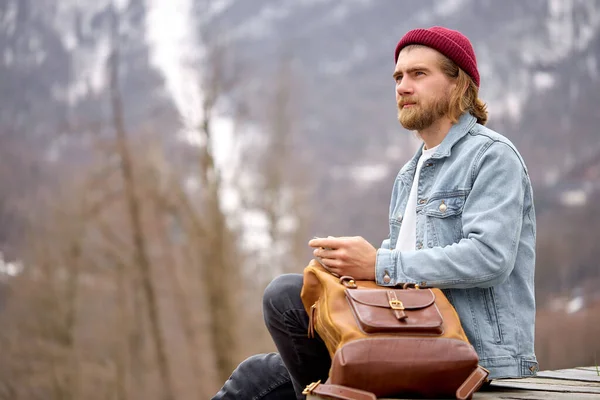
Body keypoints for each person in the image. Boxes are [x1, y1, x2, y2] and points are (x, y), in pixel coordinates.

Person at [212, 26, 538, 400]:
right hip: (409, 343)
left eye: (419, 74)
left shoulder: (492, 157)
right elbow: (396, 278)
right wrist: (346, 273)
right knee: (265, 357)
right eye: (398, 76)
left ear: (459, 85)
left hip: (476, 362)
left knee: (283, 300)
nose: (402, 86)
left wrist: (379, 264)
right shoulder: (408, 175)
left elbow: (490, 257)